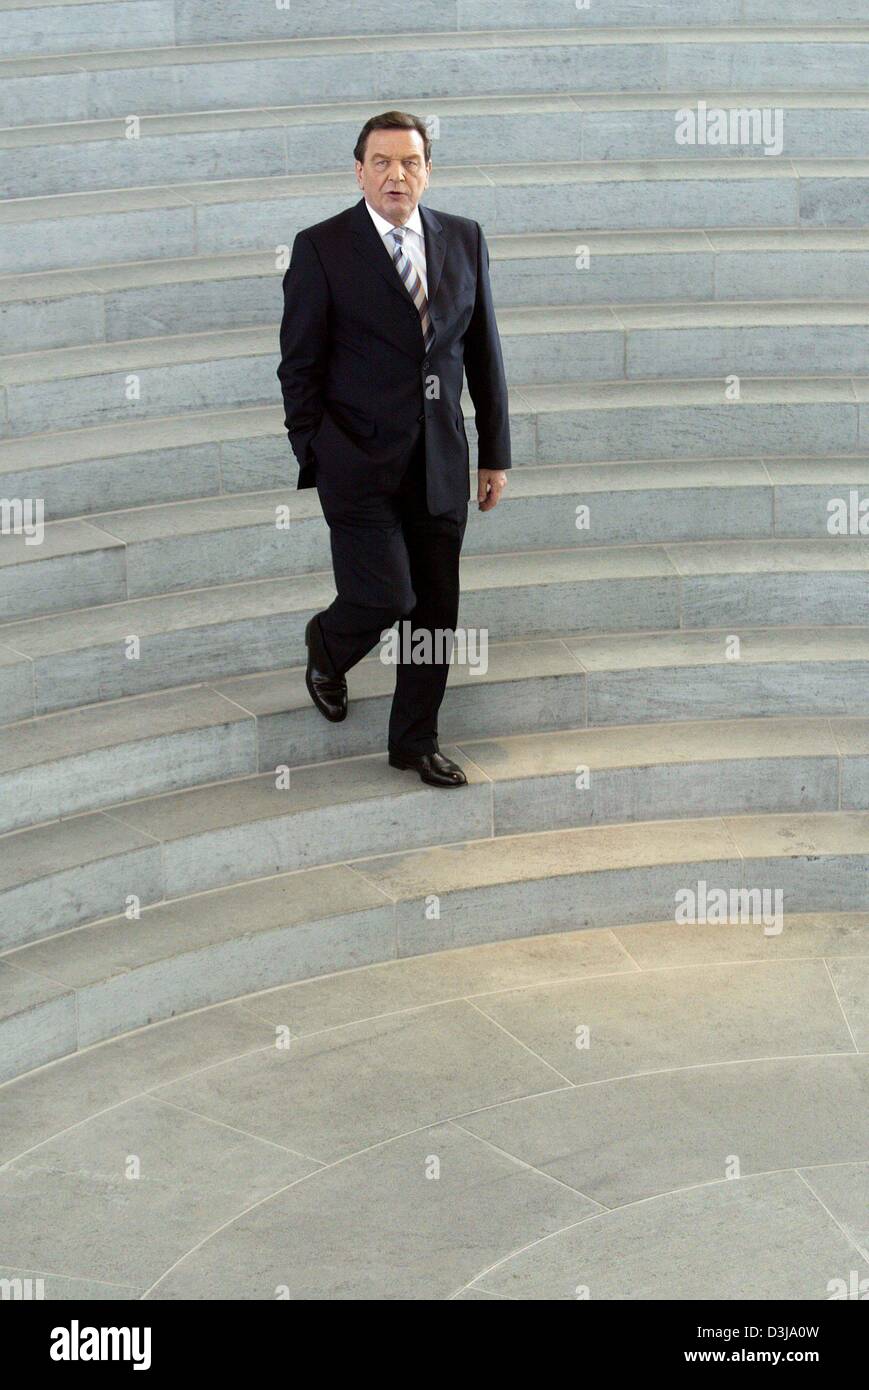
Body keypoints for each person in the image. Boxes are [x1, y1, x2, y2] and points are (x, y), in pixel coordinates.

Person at [277, 110, 511, 788]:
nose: (395, 175)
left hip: (440, 460)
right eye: (380, 162)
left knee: (435, 611)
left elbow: (483, 352)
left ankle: (414, 741)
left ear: (427, 171)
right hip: (357, 461)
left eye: (408, 162)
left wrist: (493, 454)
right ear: (359, 172)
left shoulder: (463, 239)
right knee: (385, 594)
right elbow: (299, 366)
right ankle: (327, 646)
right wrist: (316, 451)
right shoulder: (322, 247)